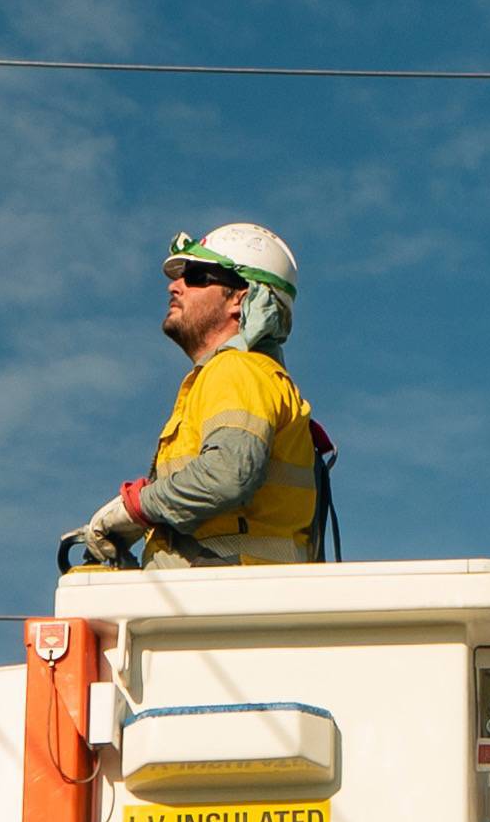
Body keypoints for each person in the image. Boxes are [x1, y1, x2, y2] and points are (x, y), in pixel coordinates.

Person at [65, 224, 331, 568]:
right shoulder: (244, 376)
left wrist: (135, 508)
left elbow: (227, 474)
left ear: (241, 299)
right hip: (234, 597)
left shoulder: (237, 370)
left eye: (197, 276)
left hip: (223, 601)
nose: (175, 286)